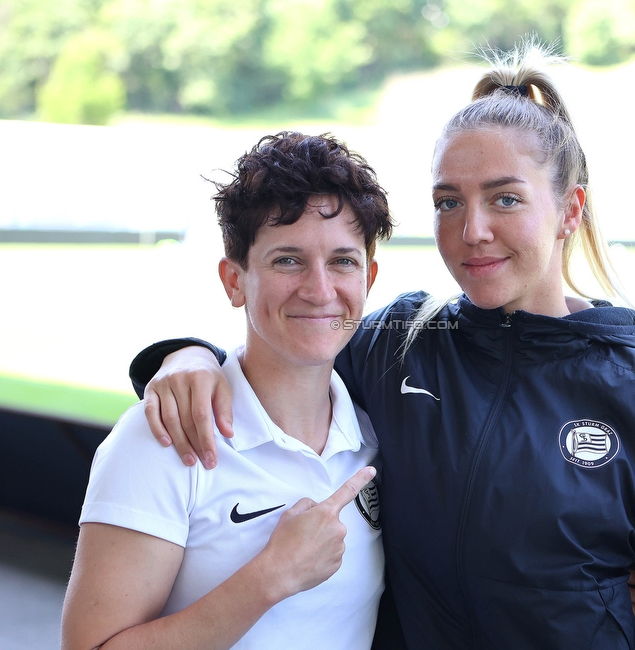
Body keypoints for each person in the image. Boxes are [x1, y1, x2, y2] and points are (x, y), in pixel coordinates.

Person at [128, 40, 635, 648]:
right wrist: (183, 356)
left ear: (570, 211)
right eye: (447, 202)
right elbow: (284, 350)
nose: (473, 230)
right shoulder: (396, 347)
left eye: (505, 199)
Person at [61, 132, 394, 650]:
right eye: (288, 260)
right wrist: (269, 579)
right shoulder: (167, 438)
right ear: (234, 280)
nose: (320, 289)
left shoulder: (375, 433)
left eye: (343, 261)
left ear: (369, 277)